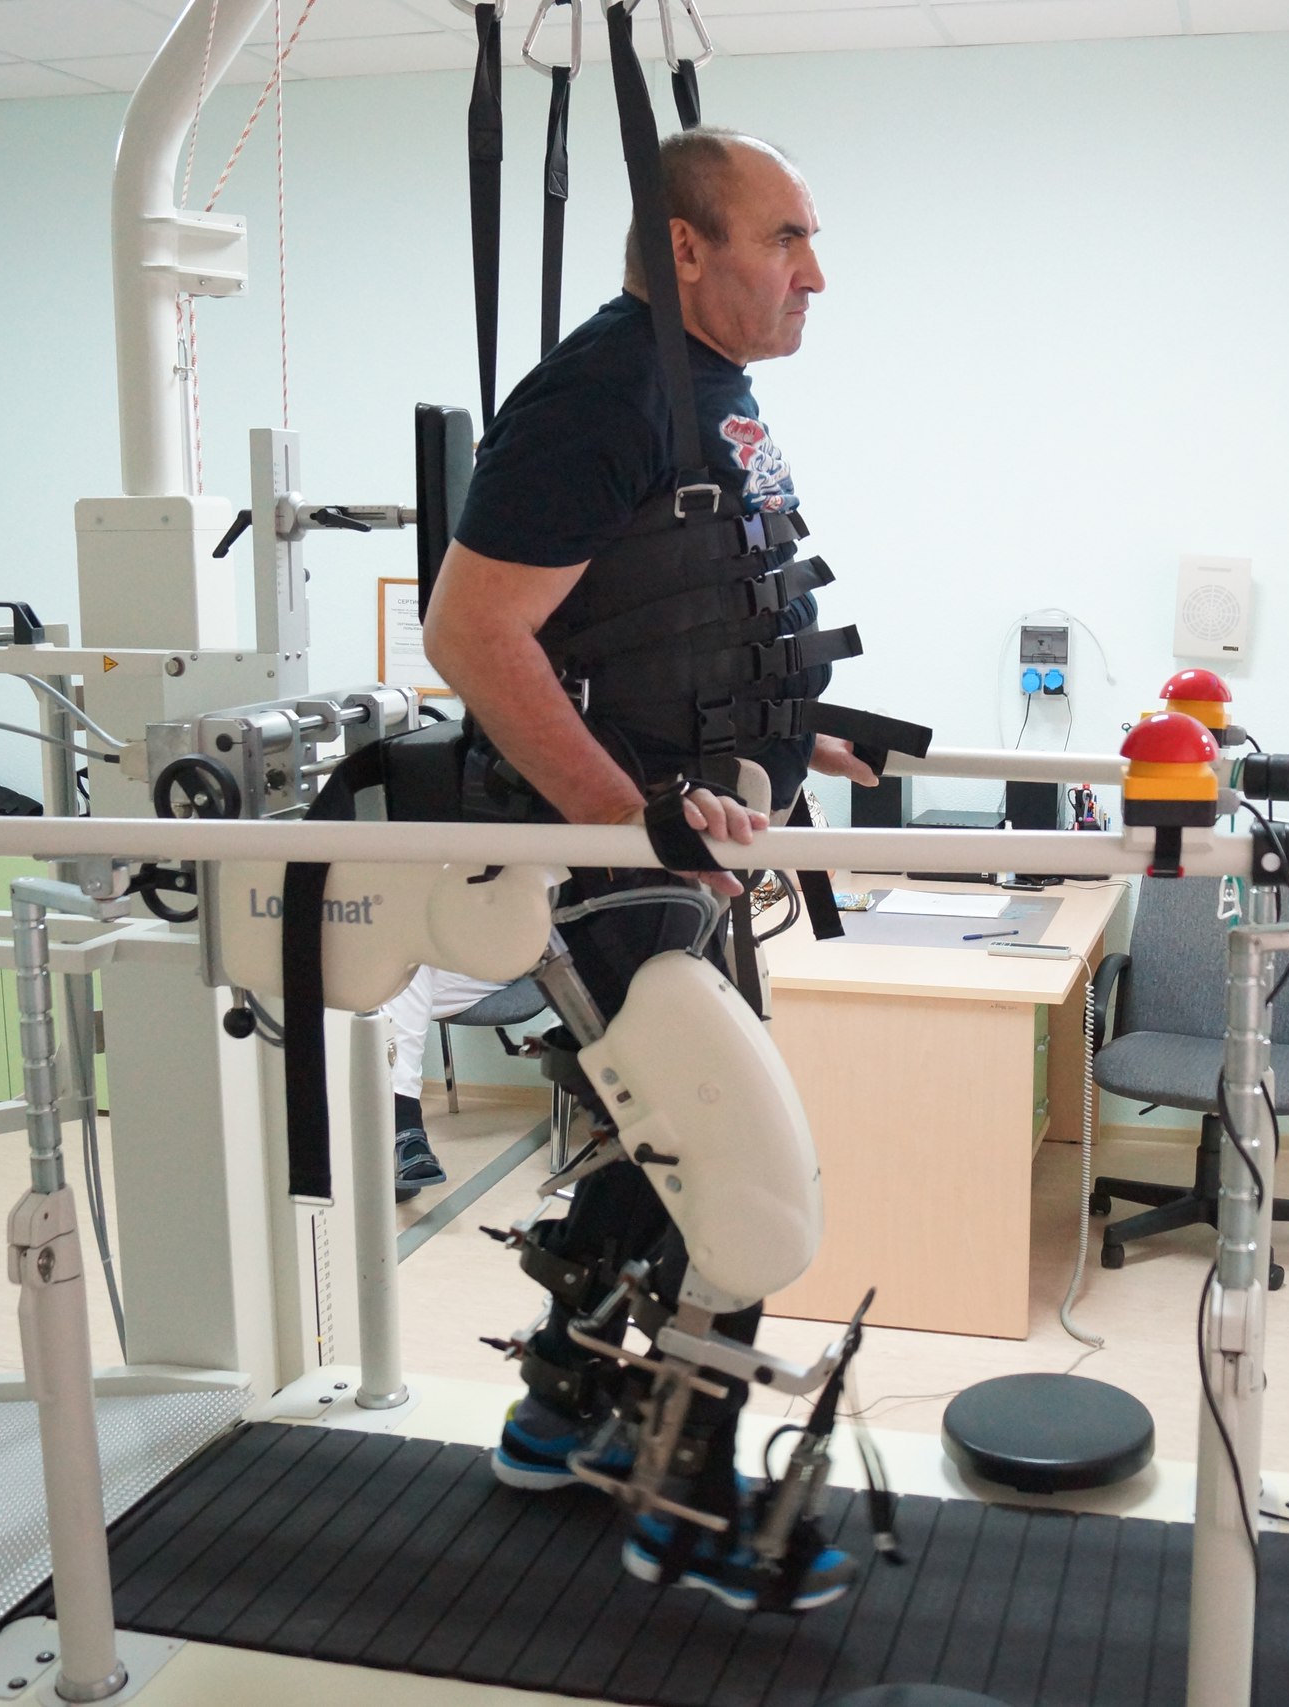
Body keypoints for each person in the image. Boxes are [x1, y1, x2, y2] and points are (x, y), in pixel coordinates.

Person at [422, 126, 876, 1612]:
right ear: (689, 248)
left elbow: (670, 605)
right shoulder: (603, 392)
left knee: (657, 1143)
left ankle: (556, 1412)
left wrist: (797, 724)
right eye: (786, 237)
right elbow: (471, 635)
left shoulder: (709, 391)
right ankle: (686, 1502)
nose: (814, 272)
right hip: (614, 856)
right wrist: (630, 818)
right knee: (730, 1159)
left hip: (685, 847)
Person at [381, 964, 514, 1200]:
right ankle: (399, 1134)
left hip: (503, 958)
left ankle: (402, 1124)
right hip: (436, 960)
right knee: (378, 980)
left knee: (397, 978)